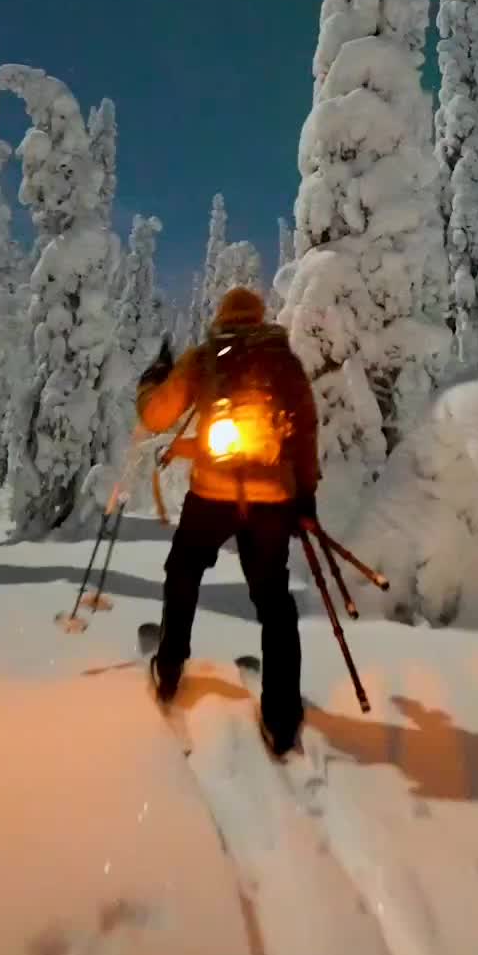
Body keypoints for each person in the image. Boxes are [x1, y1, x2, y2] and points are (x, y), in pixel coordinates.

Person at [136, 284, 319, 756]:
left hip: (212, 494)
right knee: (274, 602)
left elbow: (157, 416)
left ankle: (171, 667)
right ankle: (281, 718)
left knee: (184, 570)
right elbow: (304, 430)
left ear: (222, 317)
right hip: (272, 499)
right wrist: (306, 499)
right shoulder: (283, 361)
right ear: (260, 319)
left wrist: (152, 378)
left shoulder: (205, 357)